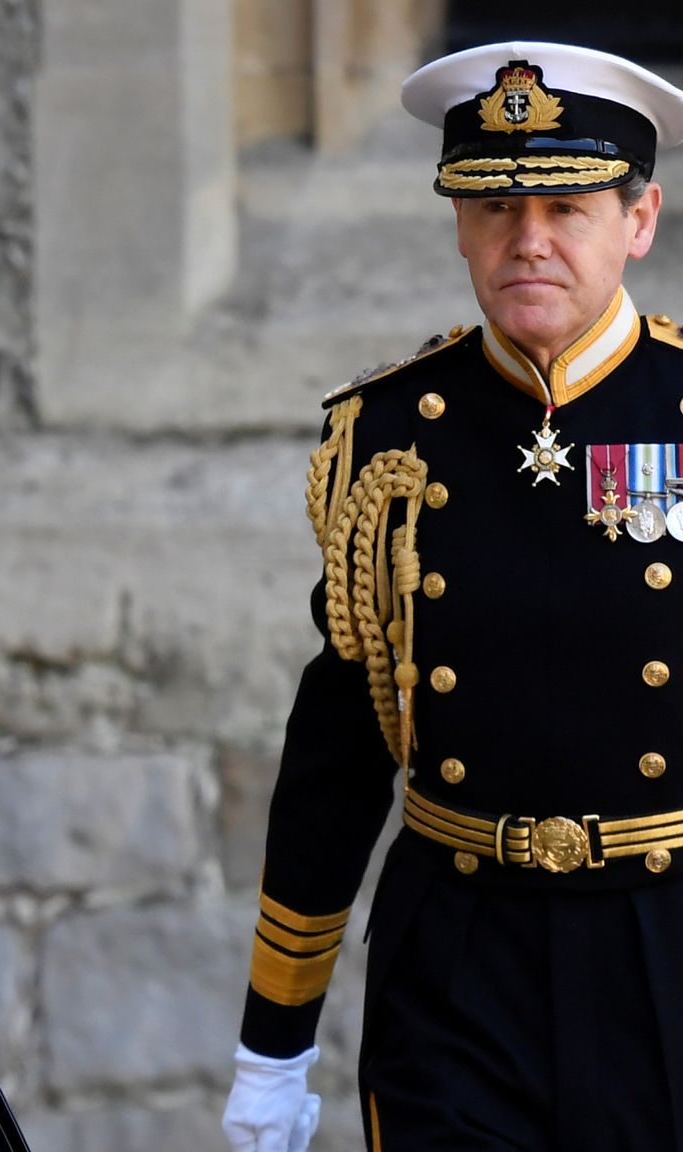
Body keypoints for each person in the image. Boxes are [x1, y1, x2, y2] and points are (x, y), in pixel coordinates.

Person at [223, 41, 683, 1152]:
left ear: (638, 219)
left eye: (566, 207)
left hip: (667, 943)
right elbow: (335, 757)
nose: (526, 240)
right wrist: (270, 1047)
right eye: (492, 207)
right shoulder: (384, 434)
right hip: (458, 957)